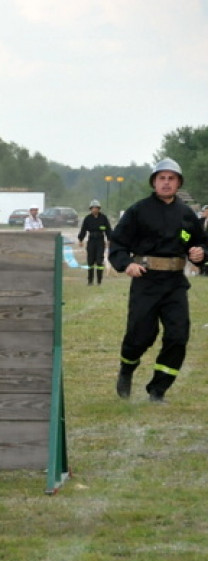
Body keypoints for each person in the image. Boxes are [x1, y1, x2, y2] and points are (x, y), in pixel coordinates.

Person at [109, 158, 206, 402]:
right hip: (146, 282)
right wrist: (127, 264)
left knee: (178, 336)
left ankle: (158, 389)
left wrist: (201, 253)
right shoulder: (138, 211)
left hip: (175, 285)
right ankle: (127, 368)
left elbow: (201, 243)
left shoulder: (187, 214)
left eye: (171, 178)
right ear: (154, 182)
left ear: (178, 183)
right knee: (140, 335)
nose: (166, 182)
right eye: (161, 178)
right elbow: (117, 244)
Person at [77, 199, 111, 285]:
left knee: (99, 261)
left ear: (99, 209)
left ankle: (99, 281)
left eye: (96, 208)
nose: (95, 209)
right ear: (91, 209)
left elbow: (108, 230)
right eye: (93, 208)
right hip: (91, 241)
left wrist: (109, 239)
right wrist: (80, 239)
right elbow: (83, 230)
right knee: (90, 261)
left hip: (100, 241)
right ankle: (90, 281)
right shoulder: (87, 218)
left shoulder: (103, 218)